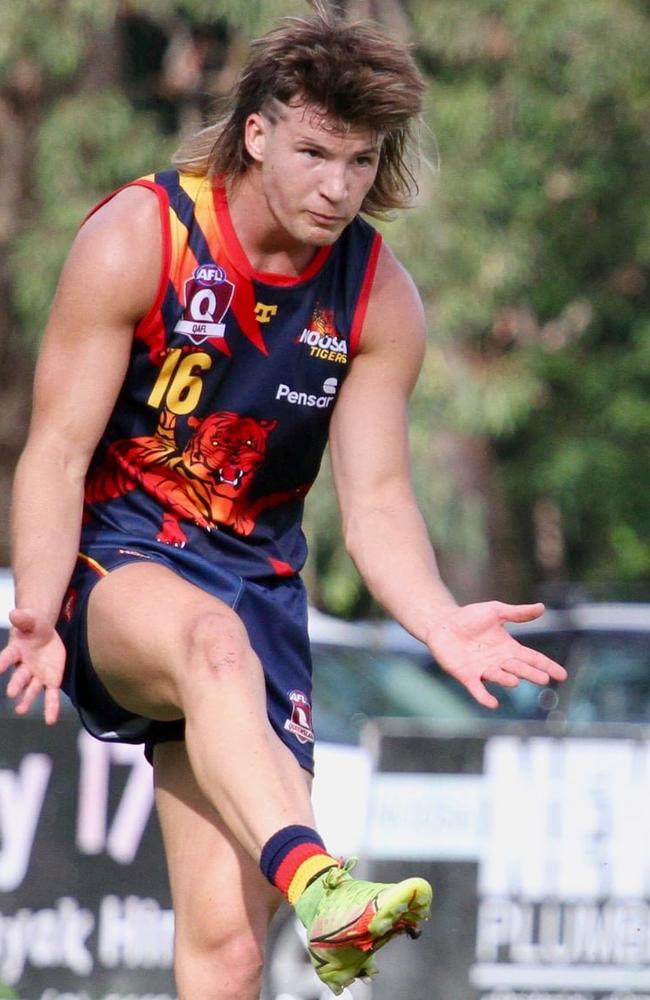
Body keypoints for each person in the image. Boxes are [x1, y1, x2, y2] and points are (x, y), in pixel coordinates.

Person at [0, 6, 567, 999]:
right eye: (314, 152)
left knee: (226, 950)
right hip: (118, 568)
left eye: (358, 161)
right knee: (210, 642)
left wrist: (439, 621)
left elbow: (378, 497)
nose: (337, 185)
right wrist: (38, 611)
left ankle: (306, 895)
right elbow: (54, 450)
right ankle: (325, 883)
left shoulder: (375, 297)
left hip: (257, 590)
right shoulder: (144, 236)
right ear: (256, 131)